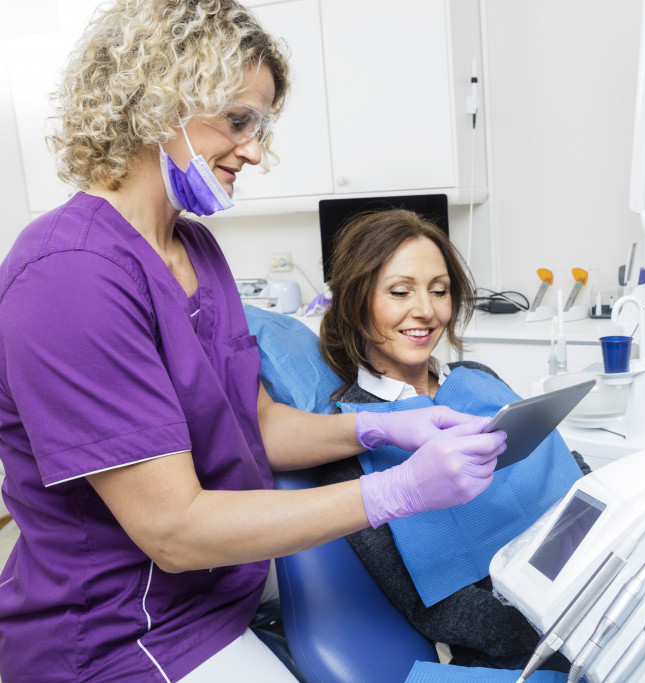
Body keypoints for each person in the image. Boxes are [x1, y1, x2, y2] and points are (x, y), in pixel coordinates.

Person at [0, 2, 506, 681]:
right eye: (237, 121)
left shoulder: (196, 248)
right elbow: (174, 531)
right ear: (157, 104)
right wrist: (395, 492)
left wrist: (384, 426)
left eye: (261, 126)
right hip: (128, 629)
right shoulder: (68, 278)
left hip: (223, 580)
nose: (256, 150)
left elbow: (254, 422)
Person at [317, 208, 590, 671]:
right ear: (356, 301)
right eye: (400, 291)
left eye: (439, 291)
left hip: (588, 578)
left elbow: (562, 465)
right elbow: (439, 611)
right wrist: (562, 619)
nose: (426, 310)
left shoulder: (476, 377)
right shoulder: (349, 442)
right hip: (520, 644)